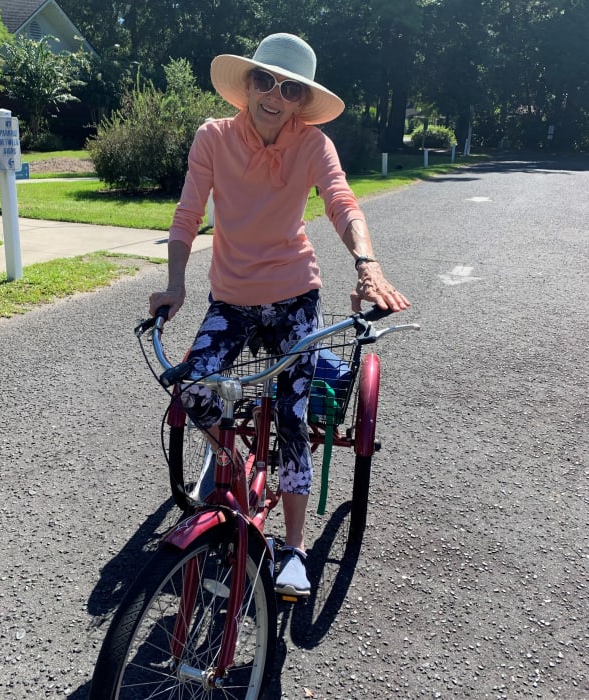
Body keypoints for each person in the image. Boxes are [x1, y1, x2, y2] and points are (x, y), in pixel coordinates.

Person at [149, 32, 409, 597]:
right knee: (190, 387)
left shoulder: (313, 145)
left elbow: (341, 202)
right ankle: (237, 466)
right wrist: (174, 286)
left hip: (295, 294)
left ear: (300, 100)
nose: (273, 94)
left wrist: (368, 266)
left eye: (288, 88)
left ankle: (292, 549)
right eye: (263, 80)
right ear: (246, 86)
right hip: (231, 299)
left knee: (292, 416)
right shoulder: (213, 138)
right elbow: (188, 212)